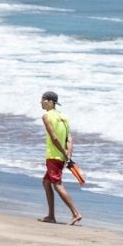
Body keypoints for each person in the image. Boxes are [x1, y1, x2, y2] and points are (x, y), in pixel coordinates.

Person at [38, 91, 83, 226]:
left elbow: (54, 137)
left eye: (43, 100)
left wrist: (63, 152)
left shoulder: (46, 116)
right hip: (61, 156)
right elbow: (69, 138)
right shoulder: (63, 117)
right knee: (46, 183)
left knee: (57, 185)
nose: (41, 102)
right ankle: (51, 215)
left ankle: (76, 213)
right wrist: (68, 156)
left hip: (54, 156)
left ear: (50, 102)